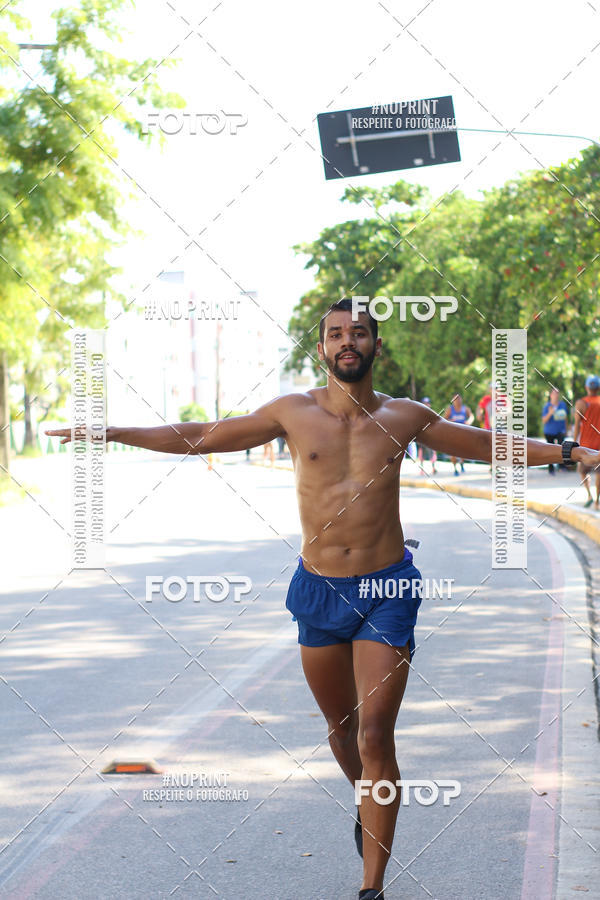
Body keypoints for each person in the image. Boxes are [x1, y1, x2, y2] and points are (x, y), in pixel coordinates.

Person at [47, 298, 600, 900]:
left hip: (387, 589)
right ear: (322, 349)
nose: (346, 342)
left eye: (358, 333)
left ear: (375, 347)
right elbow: (201, 436)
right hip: (317, 591)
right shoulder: (293, 412)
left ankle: (372, 888)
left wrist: (569, 453)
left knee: (374, 738)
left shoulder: (405, 416)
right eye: (335, 333)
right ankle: (366, 798)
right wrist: (112, 432)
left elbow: (485, 444)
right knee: (342, 734)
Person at [574, 375, 600, 508]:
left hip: (585, 445)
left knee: (583, 471)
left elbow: (577, 425)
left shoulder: (581, 403)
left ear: (586, 387)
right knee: (599, 473)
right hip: (599, 445)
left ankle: (589, 495)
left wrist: (573, 443)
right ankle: (597, 502)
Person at [444, 394, 474, 475]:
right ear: (453, 401)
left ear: (461, 399)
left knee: (463, 451)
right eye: (455, 399)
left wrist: (469, 421)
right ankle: (455, 469)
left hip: (463, 433)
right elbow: (444, 419)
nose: (457, 401)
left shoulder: (465, 408)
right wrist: (450, 420)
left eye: (459, 399)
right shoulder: (450, 409)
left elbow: (471, 416)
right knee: (453, 452)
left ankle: (461, 463)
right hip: (453, 433)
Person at [541, 388, 569, 475]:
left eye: (557, 394)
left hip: (560, 430)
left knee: (561, 448)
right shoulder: (547, 406)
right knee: (550, 450)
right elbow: (544, 420)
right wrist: (550, 413)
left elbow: (565, 418)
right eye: (554, 394)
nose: (556, 396)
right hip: (549, 431)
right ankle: (551, 468)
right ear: (551, 395)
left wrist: (566, 429)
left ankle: (561, 466)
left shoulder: (563, 405)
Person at [416, 397, 437, 475]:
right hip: (422, 435)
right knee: (422, 453)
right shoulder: (419, 414)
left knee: (432, 452)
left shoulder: (432, 413)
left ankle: (433, 468)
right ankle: (422, 469)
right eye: (424, 403)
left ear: (429, 404)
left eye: (427, 403)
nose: (426, 404)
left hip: (430, 436)